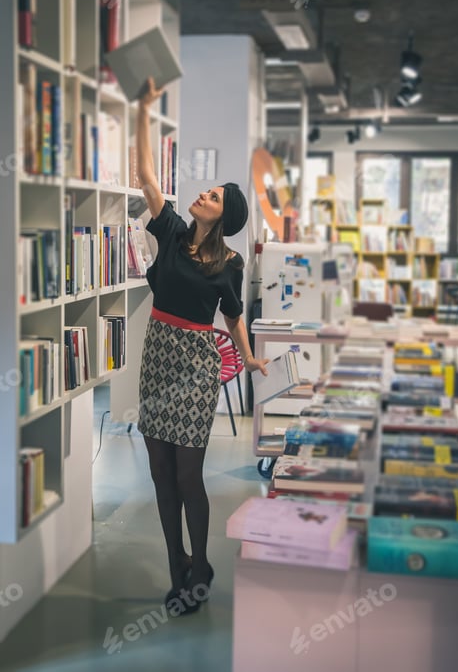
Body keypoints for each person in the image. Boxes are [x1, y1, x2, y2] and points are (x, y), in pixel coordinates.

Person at [135, 77, 268, 616]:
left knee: (188, 473)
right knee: (159, 471)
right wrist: (144, 108)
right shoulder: (169, 230)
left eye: (212, 196)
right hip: (156, 357)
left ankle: (202, 566)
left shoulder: (229, 264)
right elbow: (146, 175)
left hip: (195, 364)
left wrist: (252, 357)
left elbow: (233, 317)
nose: (203, 194)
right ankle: (177, 566)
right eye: (206, 190)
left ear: (222, 217)